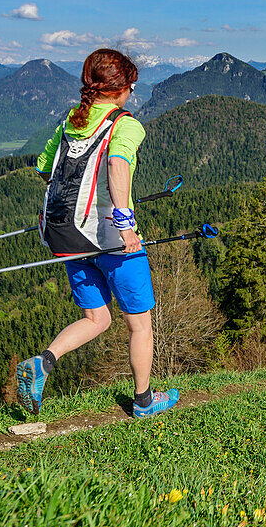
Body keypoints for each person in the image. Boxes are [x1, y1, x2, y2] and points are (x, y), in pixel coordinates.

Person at [16, 48, 178, 418]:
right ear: (120, 89)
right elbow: (118, 165)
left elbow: (45, 169)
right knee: (139, 325)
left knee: (97, 319)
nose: (132, 94)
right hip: (111, 240)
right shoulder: (125, 124)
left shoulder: (70, 122)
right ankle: (143, 401)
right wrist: (123, 223)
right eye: (131, 87)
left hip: (69, 238)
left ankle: (44, 362)